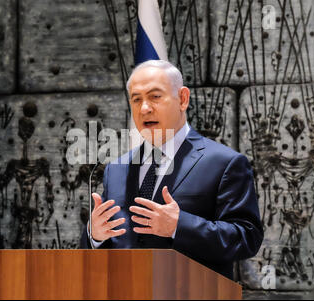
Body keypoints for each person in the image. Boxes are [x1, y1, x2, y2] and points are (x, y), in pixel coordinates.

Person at [80, 60, 263, 280]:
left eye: (155, 97)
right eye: (136, 99)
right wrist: (95, 235)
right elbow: (111, 245)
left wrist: (179, 226)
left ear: (183, 99)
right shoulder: (116, 169)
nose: (144, 108)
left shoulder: (225, 163)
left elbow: (246, 238)